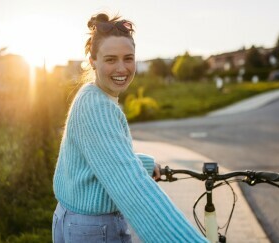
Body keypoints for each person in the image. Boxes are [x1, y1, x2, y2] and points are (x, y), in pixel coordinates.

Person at [52, 13, 208, 243]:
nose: (122, 68)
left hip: (71, 219)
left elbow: (100, 155)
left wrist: (144, 163)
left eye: (128, 58)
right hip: (94, 229)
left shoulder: (91, 94)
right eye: (110, 59)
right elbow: (131, 186)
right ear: (93, 60)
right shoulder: (97, 106)